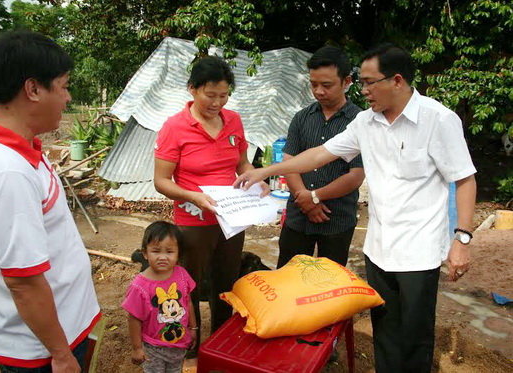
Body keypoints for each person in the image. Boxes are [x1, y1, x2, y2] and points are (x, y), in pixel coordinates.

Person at [234, 43, 477, 373]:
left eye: (368, 82)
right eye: (360, 83)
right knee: (385, 330)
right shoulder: (366, 122)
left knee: (415, 334)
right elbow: (321, 154)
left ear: (397, 80)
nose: (363, 91)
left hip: (419, 251)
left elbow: (464, 179)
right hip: (378, 248)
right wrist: (265, 171)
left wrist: (461, 239)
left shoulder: (438, 119)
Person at [0, 31, 101, 372]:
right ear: (33, 89)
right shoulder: (7, 172)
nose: (68, 98)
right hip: (42, 351)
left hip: (59, 330)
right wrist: (62, 355)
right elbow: (23, 282)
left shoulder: (20, 148)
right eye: (64, 86)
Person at [154, 56, 269, 353]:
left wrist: (255, 180)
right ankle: (190, 341)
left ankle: (221, 339)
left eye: (223, 95)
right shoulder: (175, 127)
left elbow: (242, 163)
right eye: (210, 95)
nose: (217, 102)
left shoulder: (233, 120)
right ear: (192, 89)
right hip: (193, 220)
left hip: (231, 217)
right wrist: (193, 197)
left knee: (226, 280)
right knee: (189, 282)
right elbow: (161, 181)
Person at [277, 45, 364, 269]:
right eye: (313, 84)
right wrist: (304, 198)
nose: (319, 91)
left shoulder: (361, 122)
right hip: (298, 216)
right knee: (288, 279)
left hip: (336, 218)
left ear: (347, 82)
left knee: (329, 286)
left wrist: (315, 197)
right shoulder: (301, 118)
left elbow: (355, 175)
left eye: (326, 85)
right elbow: (290, 163)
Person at [123, 221, 197, 372]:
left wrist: (193, 327)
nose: (163, 257)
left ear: (178, 254)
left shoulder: (182, 275)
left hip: (179, 343)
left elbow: (187, 302)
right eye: (156, 251)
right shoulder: (139, 287)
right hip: (153, 347)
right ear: (145, 253)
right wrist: (137, 348)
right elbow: (134, 319)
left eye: (169, 252)